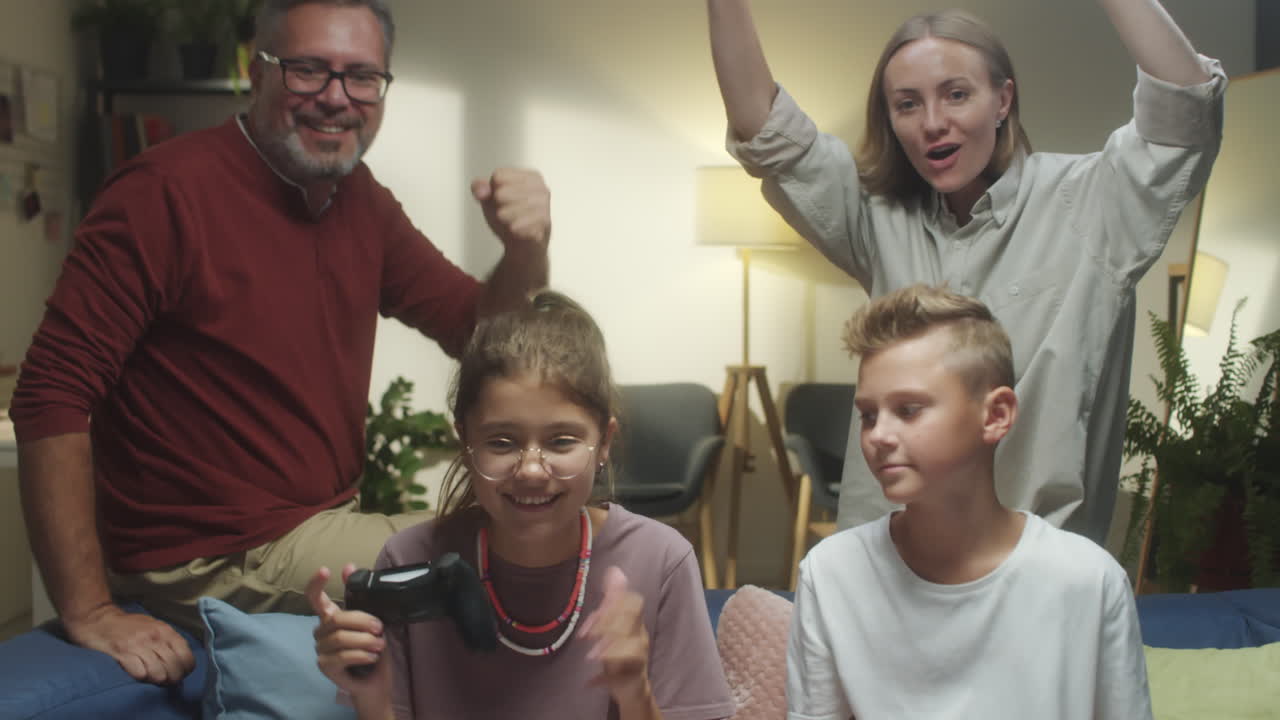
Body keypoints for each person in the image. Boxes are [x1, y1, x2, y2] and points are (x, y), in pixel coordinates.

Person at [10, 0, 550, 686]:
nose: (337, 97)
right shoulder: (163, 192)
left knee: (552, 526)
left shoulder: (358, 199)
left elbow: (479, 334)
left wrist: (525, 253)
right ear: (255, 71)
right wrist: (90, 609)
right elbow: (50, 394)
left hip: (314, 528)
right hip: (209, 556)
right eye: (307, 69)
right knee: (525, 545)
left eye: (362, 77)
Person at [706, 0, 1226, 544]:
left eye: (956, 94)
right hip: (886, 560)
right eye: (908, 104)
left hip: (1034, 567)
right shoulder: (876, 219)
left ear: (1002, 100)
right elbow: (763, 128)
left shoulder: (1092, 206)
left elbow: (1185, 108)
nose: (933, 123)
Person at [308, 290, 735, 720]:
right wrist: (373, 698)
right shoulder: (407, 560)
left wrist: (635, 693)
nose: (531, 470)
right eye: (502, 442)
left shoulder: (661, 562)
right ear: (466, 442)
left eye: (561, 441)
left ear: (604, 442)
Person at [788, 284, 1151, 718]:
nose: (878, 435)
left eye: (908, 409)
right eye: (868, 415)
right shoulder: (831, 574)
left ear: (996, 415)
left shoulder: (1089, 581)